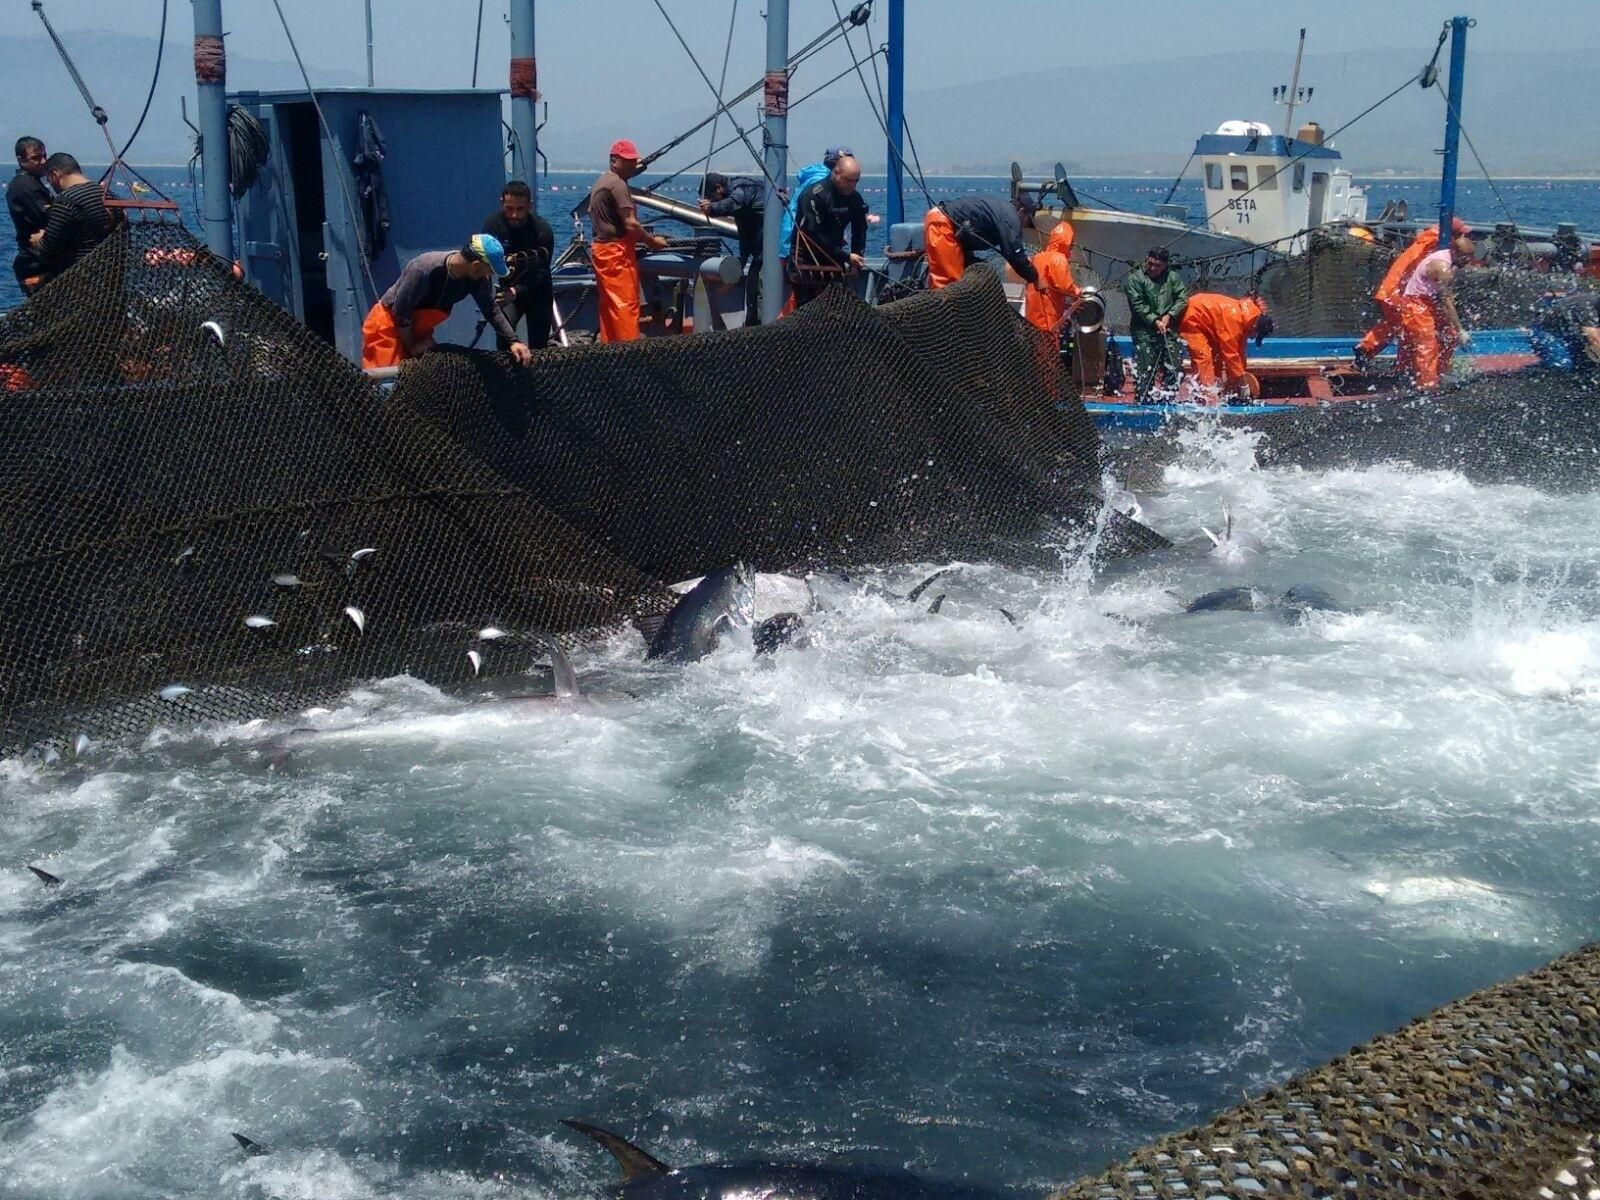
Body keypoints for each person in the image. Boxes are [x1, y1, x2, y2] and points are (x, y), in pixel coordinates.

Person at [360, 234, 532, 368]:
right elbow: (401, 314)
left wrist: (513, 340)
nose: (489, 276)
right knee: (388, 383)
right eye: (489, 270)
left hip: (418, 332)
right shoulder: (424, 269)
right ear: (476, 266)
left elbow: (491, 310)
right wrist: (413, 346)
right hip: (389, 326)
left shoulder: (476, 279)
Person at [1353, 217, 1468, 368]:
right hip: (1398, 291)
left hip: (1394, 288)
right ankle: (1369, 351)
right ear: (1453, 235)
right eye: (1460, 235)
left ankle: (1394, 362)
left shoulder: (1429, 240)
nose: (1464, 239)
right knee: (1405, 327)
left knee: (1402, 327)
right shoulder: (1434, 245)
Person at [588, 138, 669, 343]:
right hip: (616, 254)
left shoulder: (601, 182)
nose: (633, 165)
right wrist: (652, 242)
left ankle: (611, 350)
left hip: (602, 251)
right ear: (614, 160)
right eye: (628, 160)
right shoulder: (618, 185)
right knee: (625, 306)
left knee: (609, 308)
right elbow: (630, 224)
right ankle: (628, 355)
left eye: (634, 160)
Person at [482, 179, 555, 351]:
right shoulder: (493, 226)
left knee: (539, 346)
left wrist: (516, 292)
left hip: (538, 291)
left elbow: (542, 274)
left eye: (520, 209)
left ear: (529, 206)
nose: (514, 215)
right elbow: (483, 263)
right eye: (509, 208)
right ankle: (505, 375)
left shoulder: (542, 230)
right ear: (502, 203)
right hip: (507, 291)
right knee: (505, 338)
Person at [1395, 235, 1473, 391]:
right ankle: (1427, 385)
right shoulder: (1442, 267)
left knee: (1448, 335)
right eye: (1466, 257)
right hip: (1416, 304)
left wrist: (1454, 330)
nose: (1469, 261)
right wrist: (1461, 330)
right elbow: (1446, 300)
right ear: (1456, 253)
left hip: (1431, 301)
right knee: (1427, 344)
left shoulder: (1451, 259)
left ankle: (1441, 373)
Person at [790, 154, 868, 307]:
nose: (852, 186)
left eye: (856, 181)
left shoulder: (855, 198)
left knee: (836, 307)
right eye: (848, 180)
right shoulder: (814, 195)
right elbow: (814, 233)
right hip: (807, 259)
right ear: (835, 173)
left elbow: (860, 229)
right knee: (807, 309)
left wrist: (856, 258)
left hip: (834, 257)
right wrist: (846, 256)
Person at [922, 194, 1039, 290]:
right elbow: (1014, 255)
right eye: (1028, 219)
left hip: (952, 231)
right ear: (1022, 211)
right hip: (941, 224)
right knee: (949, 287)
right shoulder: (1010, 217)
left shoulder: (1001, 209)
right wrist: (1035, 278)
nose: (1026, 226)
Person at [34, 152, 113, 286]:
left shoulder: (66, 201)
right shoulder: (110, 197)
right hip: (110, 281)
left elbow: (47, 250)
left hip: (79, 285)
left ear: (54, 175)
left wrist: (39, 240)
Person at [1177, 293, 1273, 400]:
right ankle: (1209, 397)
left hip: (1205, 322)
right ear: (1255, 326)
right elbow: (1230, 355)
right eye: (1255, 335)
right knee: (1204, 358)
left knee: (1216, 358)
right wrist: (1243, 382)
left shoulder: (1245, 321)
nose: (1252, 337)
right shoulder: (1235, 320)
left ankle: (1215, 391)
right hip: (1192, 317)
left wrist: (1240, 376)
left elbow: (1239, 354)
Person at [699, 171, 765, 325]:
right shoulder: (737, 192)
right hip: (758, 249)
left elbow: (735, 202)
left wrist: (712, 208)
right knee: (752, 290)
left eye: (711, 196)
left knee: (760, 292)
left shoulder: (741, 187)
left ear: (718, 188)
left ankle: (761, 327)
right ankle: (753, 325)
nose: (711, 200)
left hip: (769, 251)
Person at [1125, 247, 1188, 402]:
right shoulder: (1135, 278)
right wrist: (1155, 320)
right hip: (1144, 332)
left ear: (1165, 266)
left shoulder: (1172, 277)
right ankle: (1143, 401)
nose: (1153, 268)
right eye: (1150, 263)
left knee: (1174, 369)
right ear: (1147, 259)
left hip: (1168, 331)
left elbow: (1182, 298)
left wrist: (1170, 315)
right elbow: (1137, 304)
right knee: (1146, 371)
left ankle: (1168, 402)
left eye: (1158, 265)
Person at [7, 136, 51, 294]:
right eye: (36, 158)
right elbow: (47, 218)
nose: (43, 161)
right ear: (21, 160)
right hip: (35, 262)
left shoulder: (32, 183)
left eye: (44, 156)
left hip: (39, 259)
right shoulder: (24, 186)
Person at [1023, 220, 1080, 334]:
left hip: (1032, 315)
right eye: (1071, 242)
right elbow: (1065, 287)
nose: (1072, 246)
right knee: (1050, 348)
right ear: (1065, 242)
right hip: (1047, 318)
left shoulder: (1038, 257)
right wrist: (1080, 293)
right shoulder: (1058, 259)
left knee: (1035, 347)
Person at [1530, 291, 1600, 376]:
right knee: (1563, 364)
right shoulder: (1587, 308)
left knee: (1585, 366)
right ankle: (1533, 374)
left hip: (1568, 333)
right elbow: (1595, 340)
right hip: (1545, 331)